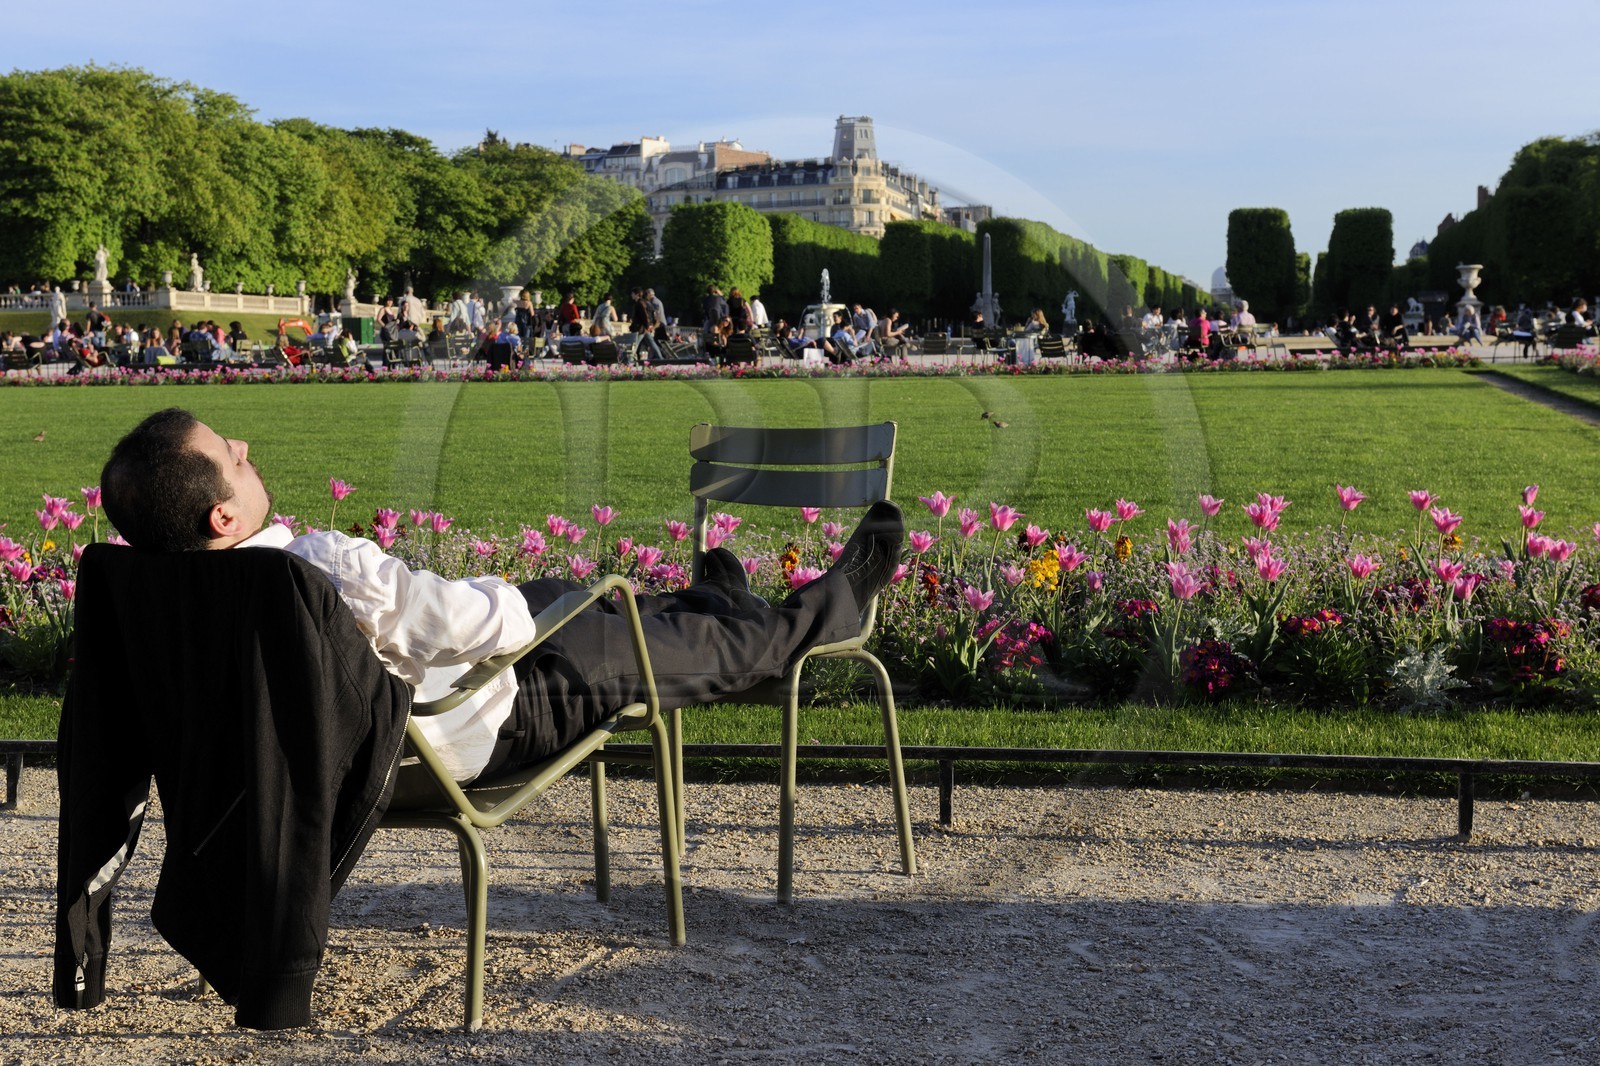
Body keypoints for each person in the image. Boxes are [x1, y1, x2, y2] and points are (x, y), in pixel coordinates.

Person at [96, 408, 905, 787]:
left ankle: (714, 600)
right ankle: (825, 606)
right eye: (229, 456)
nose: (243, 443)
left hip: (387, 747)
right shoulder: (315, 565)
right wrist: (515, 607)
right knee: (601, 623)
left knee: (584, 602)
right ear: (223, 515)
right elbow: (455, 621)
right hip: (487, 720)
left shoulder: (165, 604)